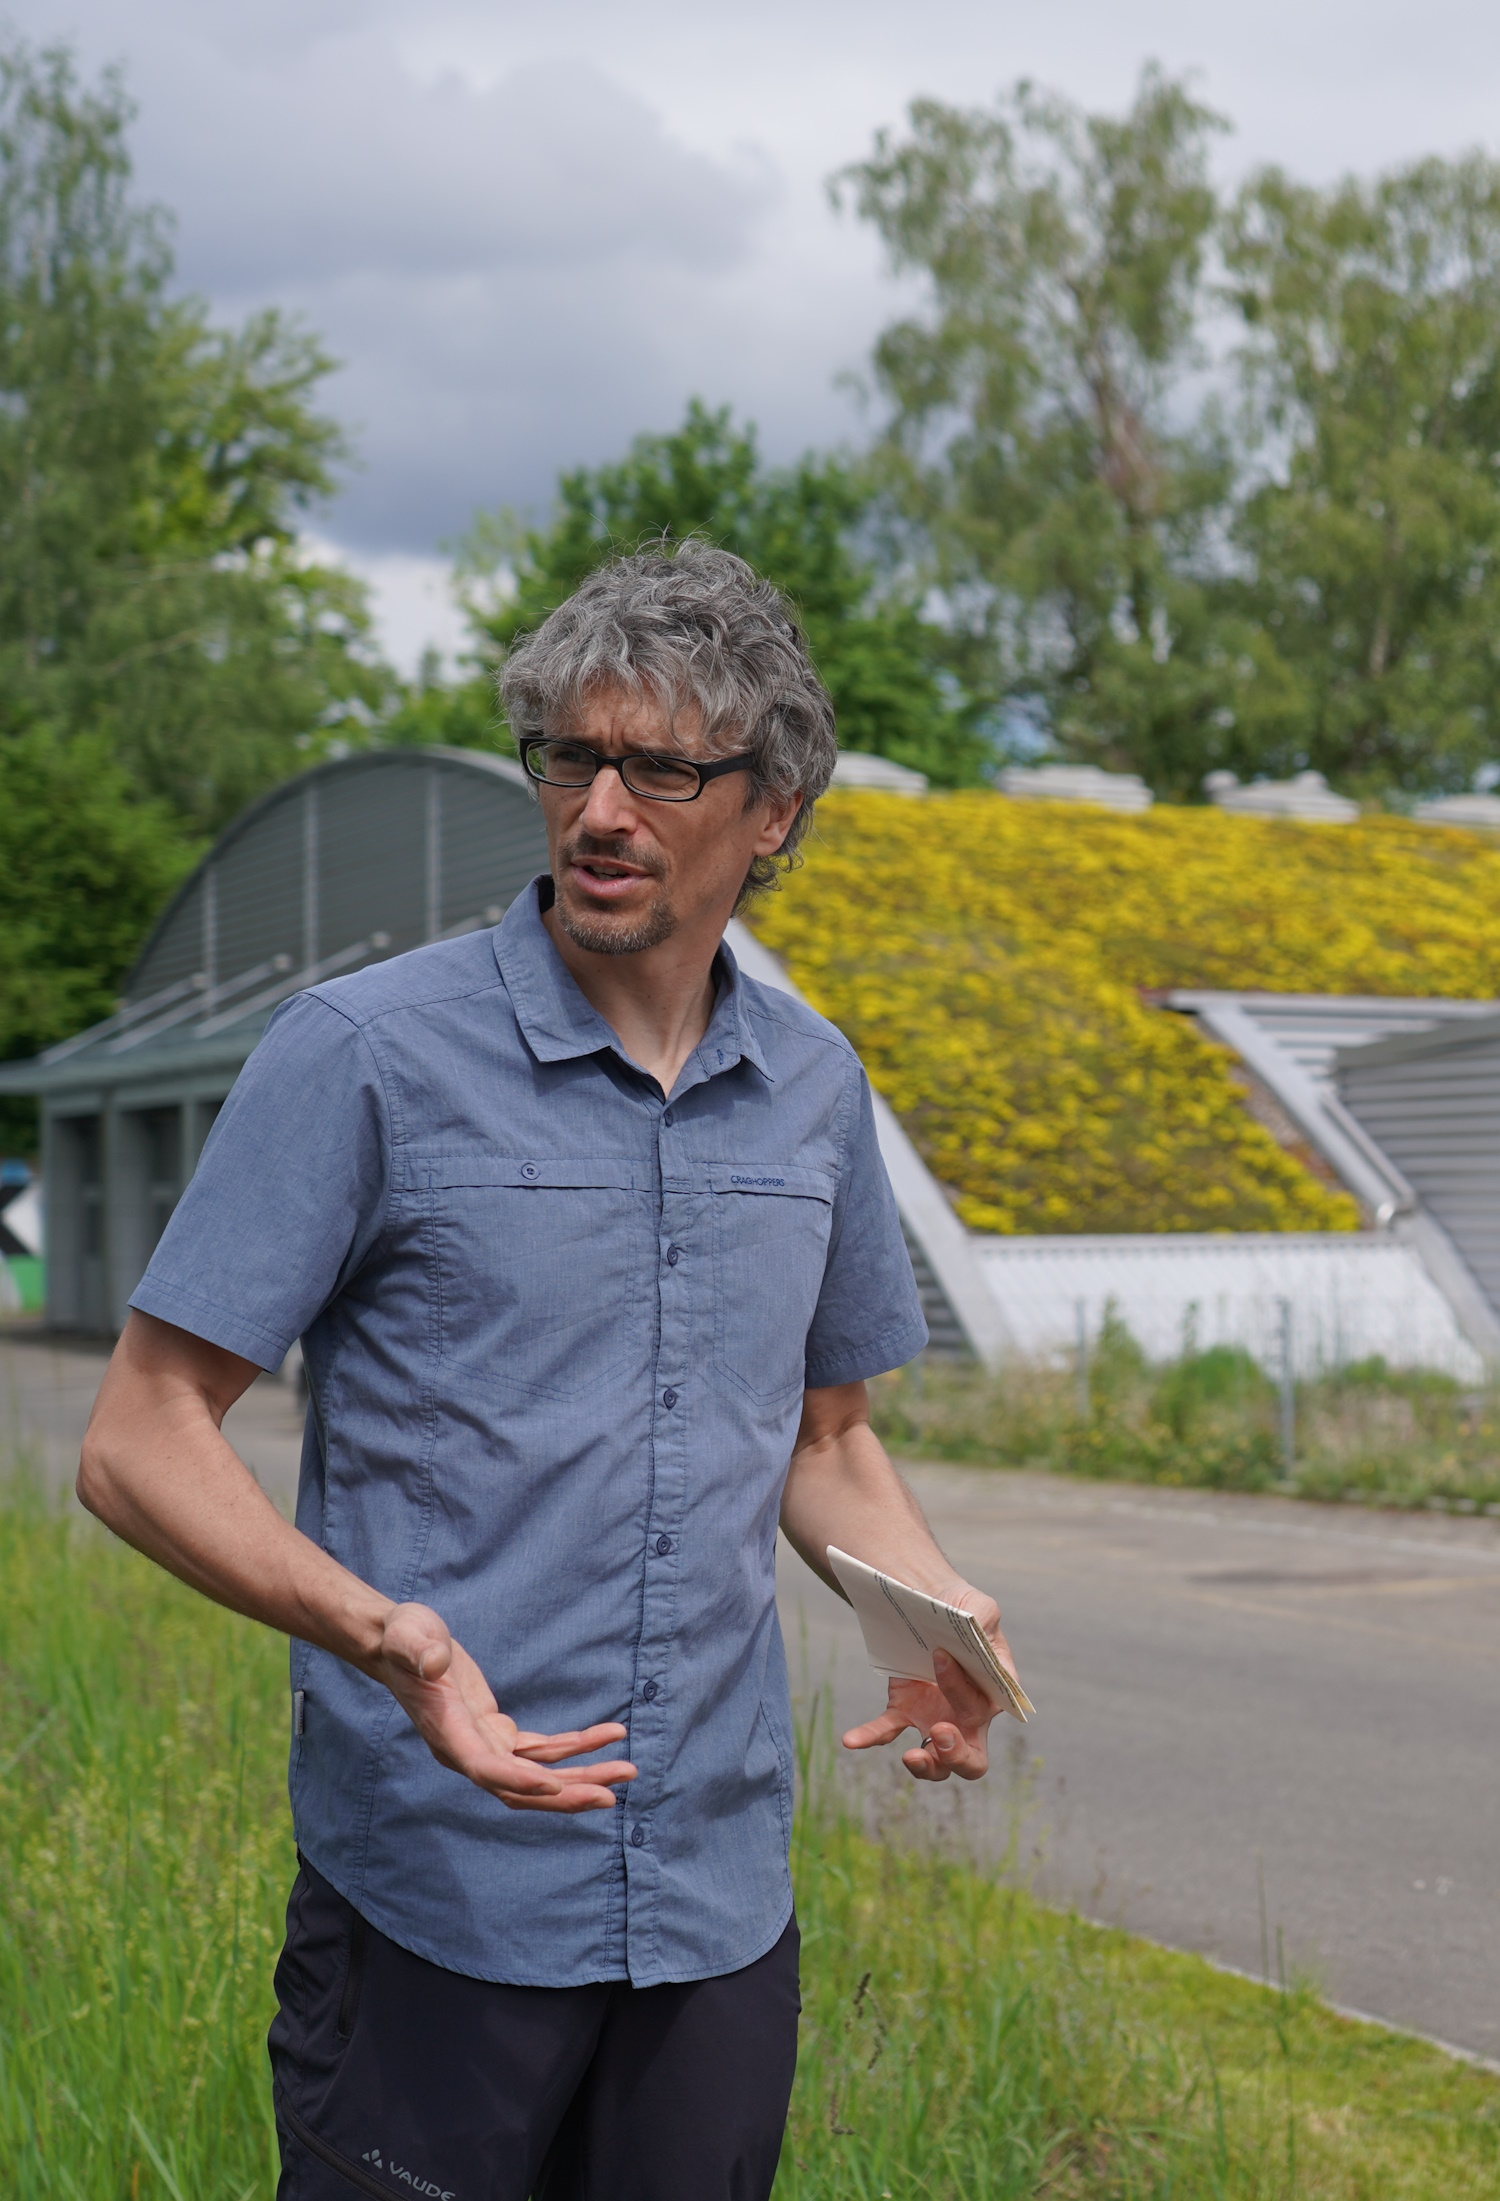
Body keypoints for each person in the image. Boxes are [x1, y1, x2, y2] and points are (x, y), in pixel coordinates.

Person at [79, 543, 1021, 2201]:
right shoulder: (363, 1054)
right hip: (438, 1894)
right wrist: (382, 1635)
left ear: (775, 810)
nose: (599, 809)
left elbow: (826, 1437)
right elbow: (139, 1436)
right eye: (568, 757)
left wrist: (929, 1615)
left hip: (718, 1905)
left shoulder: (815, 1089)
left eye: (660, 770)